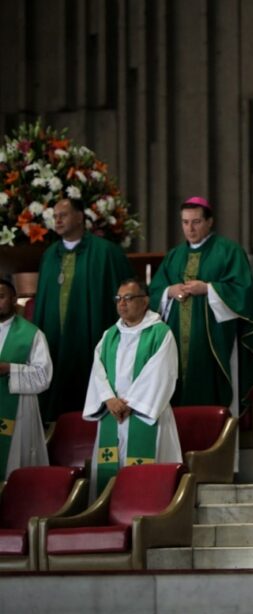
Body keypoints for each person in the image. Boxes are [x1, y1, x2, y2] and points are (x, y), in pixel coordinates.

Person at [149, 197, 253, 422]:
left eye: (196, 222)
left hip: (213, 340)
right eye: (185, 222)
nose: (190, 229)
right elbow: (153, 292)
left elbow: (243, 292)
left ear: (209, 221)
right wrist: (168, 292)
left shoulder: (229, 251)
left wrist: (209, 288)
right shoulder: (174, 256)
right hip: (174, 341)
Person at [34, 197, 133, 422]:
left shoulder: (106, 252)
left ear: (80, 217)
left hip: (90, 341)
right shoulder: (49, 255)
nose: (58, 220)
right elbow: (42, 303)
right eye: (55, 216)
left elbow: (128, 293)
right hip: (55, 345)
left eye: (63, 215)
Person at [84, 278, 181, 497]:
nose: (122, 304)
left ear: (145, 301)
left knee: (148, 478)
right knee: (110, 475)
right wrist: (109, 399)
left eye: (128, 298)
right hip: (112, 414)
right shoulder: (109, 335)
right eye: (118, 299)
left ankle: (149, 516)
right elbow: (98, 371)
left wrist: (132, 404)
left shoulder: (160, 333)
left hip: (146, 414)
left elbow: (162, 373)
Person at [0, 279, 52, 479]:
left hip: (19, 410)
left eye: (1, 296)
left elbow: (43, 377)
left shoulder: (32, 334)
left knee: (15, 466)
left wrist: (9, 369)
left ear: (14, 299)